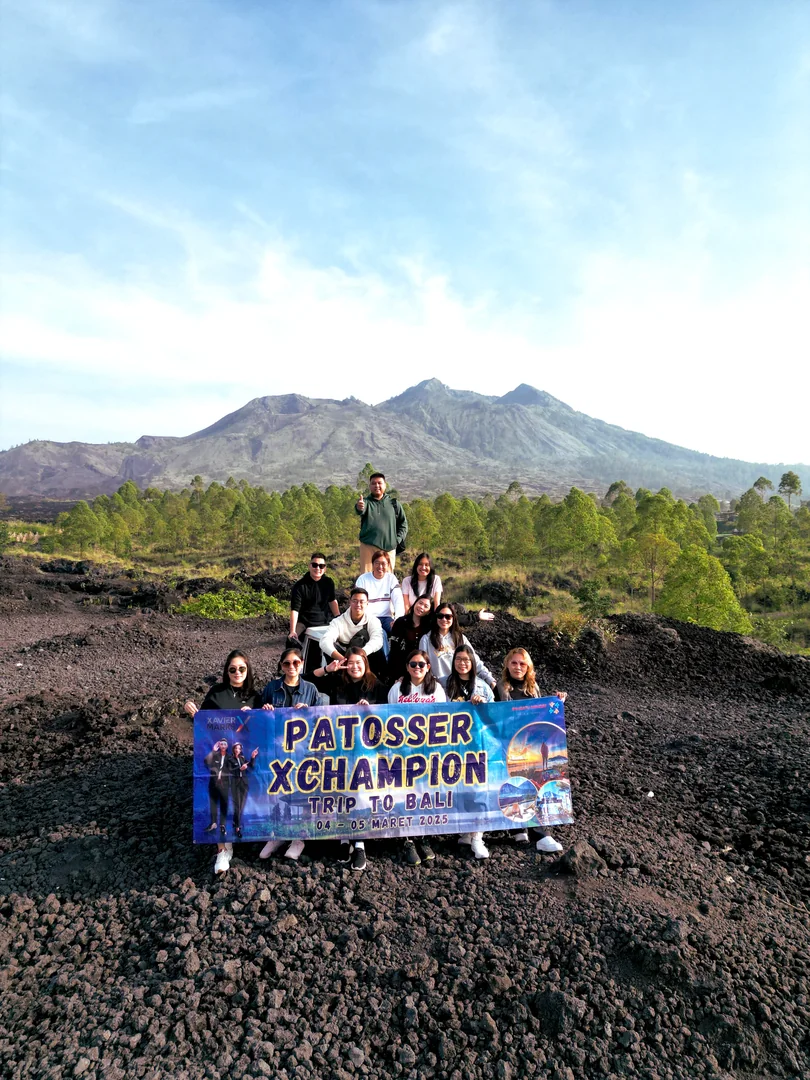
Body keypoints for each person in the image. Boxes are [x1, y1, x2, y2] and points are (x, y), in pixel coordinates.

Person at [184, 649, 262, 875]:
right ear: (227, 672)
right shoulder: (216, 693)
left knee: (239, 803)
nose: (237, 673)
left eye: (242, 669)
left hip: (241, 761)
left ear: (248, 670)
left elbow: (264, 727)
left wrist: (257, 713)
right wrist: (192, 711)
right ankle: (222, 849)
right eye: (232, 669)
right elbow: (203, 724)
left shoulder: (256, 696)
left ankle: (243, 836)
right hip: (221, 760)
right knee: (220, 801)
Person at [495, 647, 567, 849]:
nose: (518, 667)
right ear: (507, 665)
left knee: (533, 784)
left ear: (528, 667)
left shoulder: (533, 689)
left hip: (531, 747)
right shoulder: (499, 688)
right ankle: (518, 828)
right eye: (514, 663)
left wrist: (557, 701)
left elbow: (543, 715)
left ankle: (540, 834)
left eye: (522, 664)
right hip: (509, 747)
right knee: (514, 785)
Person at [258, 647, 322, 862]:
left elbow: (322, 719)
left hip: (303, 752)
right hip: (277, 751)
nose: (291, 666)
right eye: (287, 663)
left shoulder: (311, 689)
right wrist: (264, 710)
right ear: (281, 666)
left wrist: (309, 712)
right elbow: (258, 717)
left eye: (296, 662)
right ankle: (277, 835)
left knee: (302, 795)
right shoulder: (272, 688)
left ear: (302, 663)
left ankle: (298, 838)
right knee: (277, 793)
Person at [388, 649, 446, 867]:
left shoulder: (436, 689)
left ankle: (423, 836)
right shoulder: (397, 689)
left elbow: (443, 716)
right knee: (405, 793)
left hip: (428, 750)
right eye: (413, 664)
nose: (417, 668)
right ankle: (408, 839)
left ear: (428, 667)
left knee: (424, 793)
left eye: (421, 664)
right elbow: (389, 716)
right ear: (407, 667)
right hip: (403, 751)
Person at [445, 644, 494, 860]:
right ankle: (466, 831)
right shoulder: (444, 684)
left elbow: (494, 715)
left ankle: (478, 836)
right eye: (458, 659)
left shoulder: (483, 686)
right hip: (453, 746)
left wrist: (482, 706)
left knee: (478, 789)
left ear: (473, 662)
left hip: (477, 745)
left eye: (466, 659)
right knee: (459, 789)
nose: (462, 663)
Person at [419, 604, 496, 691]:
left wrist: (490, 680)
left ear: (453, 618)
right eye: (440, 616)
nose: (444, 619)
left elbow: (475, 661)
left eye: (448, 617)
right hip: (438, 689)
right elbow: (422, 666)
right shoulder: (426, 640)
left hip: (460, 687)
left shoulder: (460, 638)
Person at [355, 549, 404, 659]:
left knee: (400, 631)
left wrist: (398, 620)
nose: (380, 567)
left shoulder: (391, 579)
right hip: (369, 619)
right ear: (372, 564)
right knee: (381, 634)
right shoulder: (363, 579)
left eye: (383, 564)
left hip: (386, 618)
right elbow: (359, 601)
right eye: (377, 563)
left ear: (388, 565)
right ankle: (386, 663)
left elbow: (398, 600)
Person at [288, 553, 339, 658]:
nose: (318, 568)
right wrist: (292, 631)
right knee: (291, 643)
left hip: (324, 621)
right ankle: (287, 666)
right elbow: (295, 610)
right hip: (304, 622)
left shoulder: (329, 582)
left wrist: (339, 618)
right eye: (315, 565)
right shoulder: (300, 586)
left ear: (325, 568)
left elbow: (332, 601)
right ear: (309, 566)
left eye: (321, 566)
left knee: (340, 643)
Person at [319, 588, 385, 669]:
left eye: (362, 601)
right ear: (350, 602)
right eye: (355, 601)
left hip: (365, 656)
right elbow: (325, 641)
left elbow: (377, 641)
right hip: (344, 659)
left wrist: (359, 656)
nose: (358, 604)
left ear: (367, 603)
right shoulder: (338, 621)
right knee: (328, 649)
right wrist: (342, 659)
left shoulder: (373, 620)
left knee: (377, 650)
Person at [355, 472, 407, 573]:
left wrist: (397, 540)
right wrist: (359, 507)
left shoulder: (394, 504)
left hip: (389, 548)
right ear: (370, 486)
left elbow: (403, 524)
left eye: (379, 483)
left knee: (387, 579)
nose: (377, 485)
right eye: (373, 483)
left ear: (385, 485)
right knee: (366, 578)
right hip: (368, 547)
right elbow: (360, 509)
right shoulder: (366, 502)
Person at [312, 647, 388, 706]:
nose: (354, 667)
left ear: (365, 664)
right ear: (345, 664)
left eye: (358, 662)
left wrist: (369, 709)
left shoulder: (377, 686)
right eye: (350, 663)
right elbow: (308, 680)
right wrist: (327, 669)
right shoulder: (337, 682)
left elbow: (385, 712)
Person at [388, 595, 434, 680]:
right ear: (415, 603)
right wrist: (397, 675)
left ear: (429, 611)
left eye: (426, 606)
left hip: (420, 670)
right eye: (420, 603)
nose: (421, 607)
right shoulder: (400, 622)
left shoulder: (429, 627)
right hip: (400, 668)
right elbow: (394, 650)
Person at [230, 741, 259, 839]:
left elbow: (251, 766)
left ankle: (235, 823)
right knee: (237, 806)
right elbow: (229, 770)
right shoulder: (230, 759)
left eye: (239, 748)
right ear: (233, 749)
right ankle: (237, 828)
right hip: (235, 784)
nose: (237, 750)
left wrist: (253, 757)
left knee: (241, 806)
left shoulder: (242, 758)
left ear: (241, 750)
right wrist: (240, 769)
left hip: (244, 784)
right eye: (235, 748)